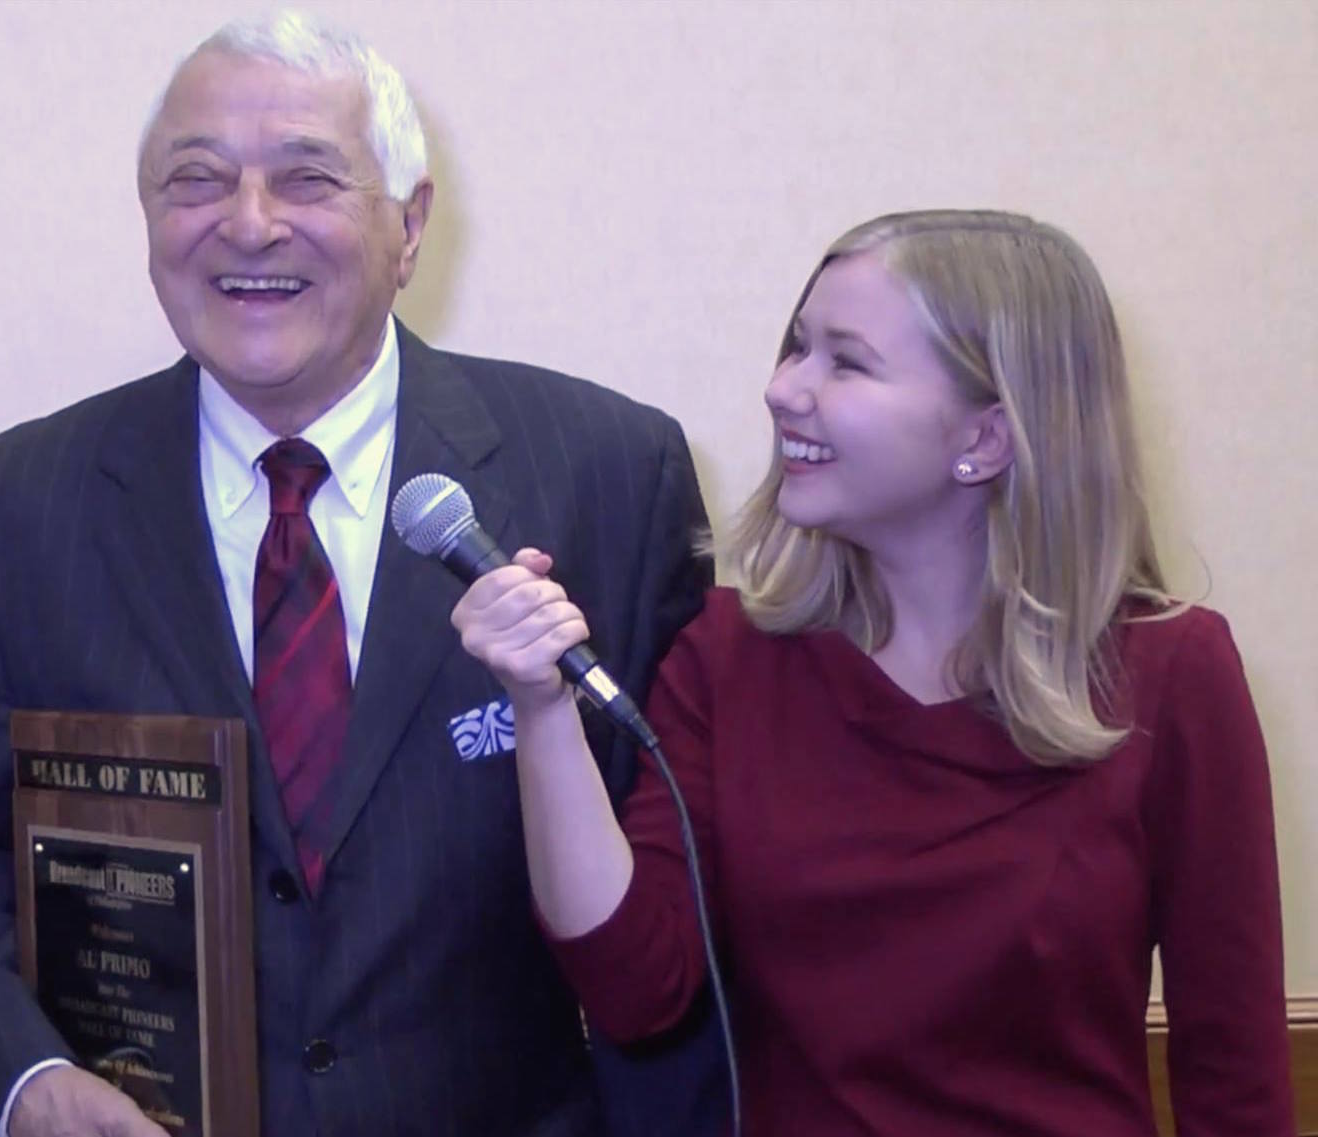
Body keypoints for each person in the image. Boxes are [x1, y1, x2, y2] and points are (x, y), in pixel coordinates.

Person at [0, 10, 719, 1137]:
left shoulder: (610, 475)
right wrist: (25, 1085)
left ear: (410, 224)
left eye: (307, 179)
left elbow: (678, 893)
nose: (248, 224)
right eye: (195, 181)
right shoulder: (9, 509)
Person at [453, 209, 1293, 1135]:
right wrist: (542, 708)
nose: (784, 390)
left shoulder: (1174, 671)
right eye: (797, 347)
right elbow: (636, 986)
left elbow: (1235, 1069)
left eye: (845, 362)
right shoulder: (728, 656)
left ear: (989, 436)